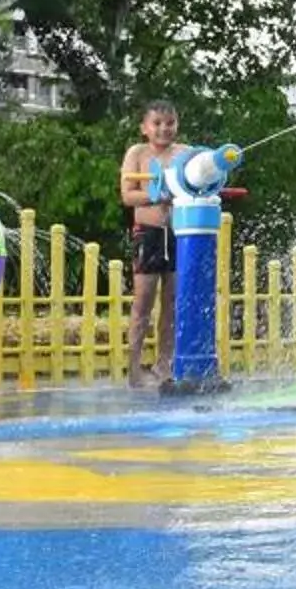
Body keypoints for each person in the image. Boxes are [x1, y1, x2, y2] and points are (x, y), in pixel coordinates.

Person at [118, 100, 178, 387]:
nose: (164, 129)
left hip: (178, 234)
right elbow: (127, 196)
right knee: (143, 300)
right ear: (145, 128)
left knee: (172, 302)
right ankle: (133, 365)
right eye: (157, 123)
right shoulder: (138, 153)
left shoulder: (184, 154)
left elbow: (205, 177)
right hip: (148, 232)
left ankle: (165, 363)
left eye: (170, 123)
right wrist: (157, 196)